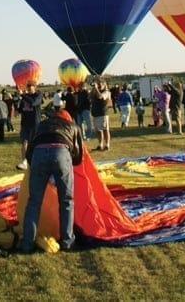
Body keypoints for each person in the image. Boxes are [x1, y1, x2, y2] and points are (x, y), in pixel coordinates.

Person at [19, 107, 84, 253]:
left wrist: (37, 167)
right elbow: (79, 156)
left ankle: (27, 242)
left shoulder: (40, 125)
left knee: (34, 201)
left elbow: (29, 152)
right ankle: (67, 240)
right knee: (66, 200)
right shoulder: (73, 126)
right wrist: (66, 164)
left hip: (38, 154)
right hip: (61, 153)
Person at [16, 81, 44, 171]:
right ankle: (24, 161)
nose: (28, 88)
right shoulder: (24, 97)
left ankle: (37, 161)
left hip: (34, 123)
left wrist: (23, 95)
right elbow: (21, 109)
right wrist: (16, 109)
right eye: (27, 86)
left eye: (30, 86)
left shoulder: (38, 95)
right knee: (24, 142)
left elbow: (33, 103)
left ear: (34, 87)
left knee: (35, 144)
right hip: (25, 123)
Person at [90, 80, 112, 151]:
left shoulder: (106, 92)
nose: (99, 86)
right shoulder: (95, 92)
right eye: (98, 84)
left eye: (100, 85)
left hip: (103, 114)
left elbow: (100, 97)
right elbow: (89, 96)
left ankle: (107, 144)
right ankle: (100, 144)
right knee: (98, 130)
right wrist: (93, 89)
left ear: (104, 85)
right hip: (96, 114)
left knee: (105, 129)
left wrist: (96, 88)